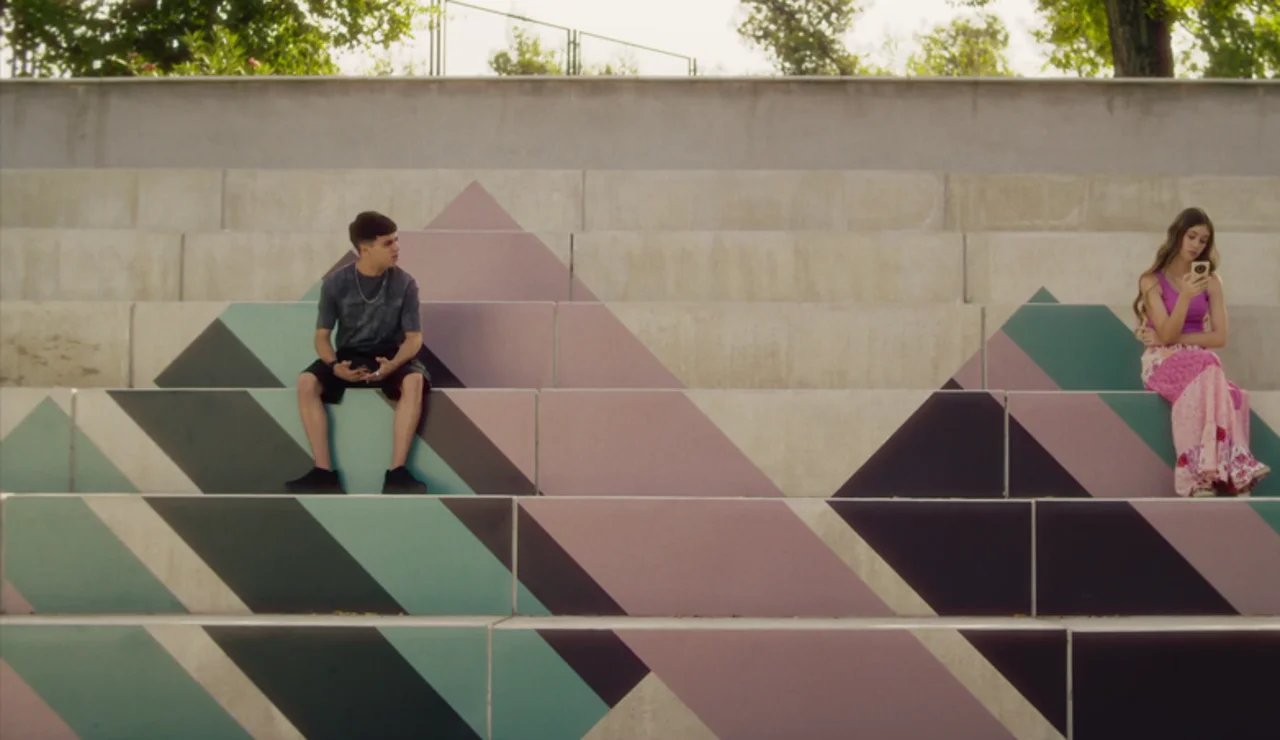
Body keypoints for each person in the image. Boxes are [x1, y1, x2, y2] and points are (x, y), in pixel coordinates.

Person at [285, 211, 431, 494]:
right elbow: (322, 336)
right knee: (306, 382)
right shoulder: (336, 284)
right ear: (365, 249)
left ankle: (398, 474)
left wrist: (394, 364)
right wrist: (334, 364)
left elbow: (413, 339)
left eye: (396, 241)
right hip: (349, 354)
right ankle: (323, 473)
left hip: (391, 355)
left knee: (414, 381)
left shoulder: (406, 283)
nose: (397, 248)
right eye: (388, 243)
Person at [1134, 206, 1269, 497]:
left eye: (1203, 240)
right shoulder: (1152, 281)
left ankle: (1218, 476)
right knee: (1210, 364)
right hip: (1162, 361)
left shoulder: (1212, 282)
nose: (1196, 245)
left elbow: (1219, 336)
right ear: (1177, 237)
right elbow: (1167, 336)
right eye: (1191, 236)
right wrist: (1184, 296)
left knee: (1229, 389)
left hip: (1199, 359)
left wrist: (1167, 336)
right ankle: (1204, 476)